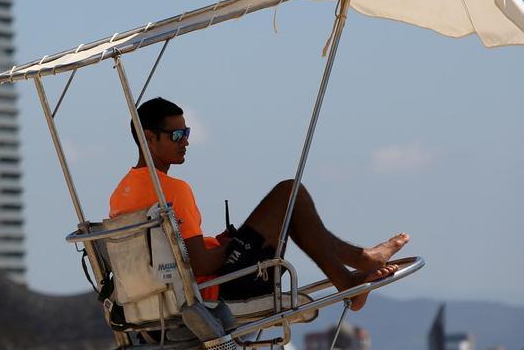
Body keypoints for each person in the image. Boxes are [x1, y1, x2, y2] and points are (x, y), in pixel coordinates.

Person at [111, 97, 408, 311]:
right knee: (289, 194)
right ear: (149, 138)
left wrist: (222, 241)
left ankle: (357, 268)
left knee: (288, 205)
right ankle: (357, 267)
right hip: (216, 289)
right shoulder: (173, 191)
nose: (185, 141)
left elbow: (173, 253)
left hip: (159, 299)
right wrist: (231, 245)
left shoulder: (120, 194)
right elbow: (201, 263)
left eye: (186, 133)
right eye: (176, 135)